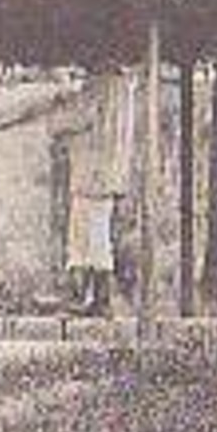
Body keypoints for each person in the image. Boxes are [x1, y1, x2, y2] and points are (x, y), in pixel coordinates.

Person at [53, 71, 138, 317]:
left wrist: (60, 108)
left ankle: (95, 297)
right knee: (92, 232)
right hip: (106, 169)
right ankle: (91, 296)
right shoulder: (124, 85)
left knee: (89, 234)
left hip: (92, 170)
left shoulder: (100, 84)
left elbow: (79, 118)